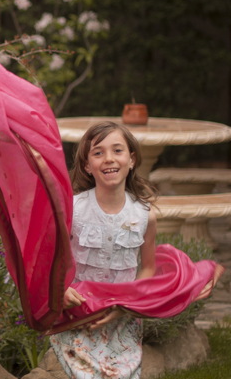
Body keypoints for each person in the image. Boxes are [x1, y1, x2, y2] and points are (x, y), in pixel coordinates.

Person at [49, 121, 158, 379]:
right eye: (98, 152)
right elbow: (50, 259)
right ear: (87, 165)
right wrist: (61, 290)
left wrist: (126, 306)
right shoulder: (72, 210)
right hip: (76, 316)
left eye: (117, 150)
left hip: (123, 318)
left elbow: (148, 267)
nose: (109, 158)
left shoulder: (145, 216)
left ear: (131, 159)